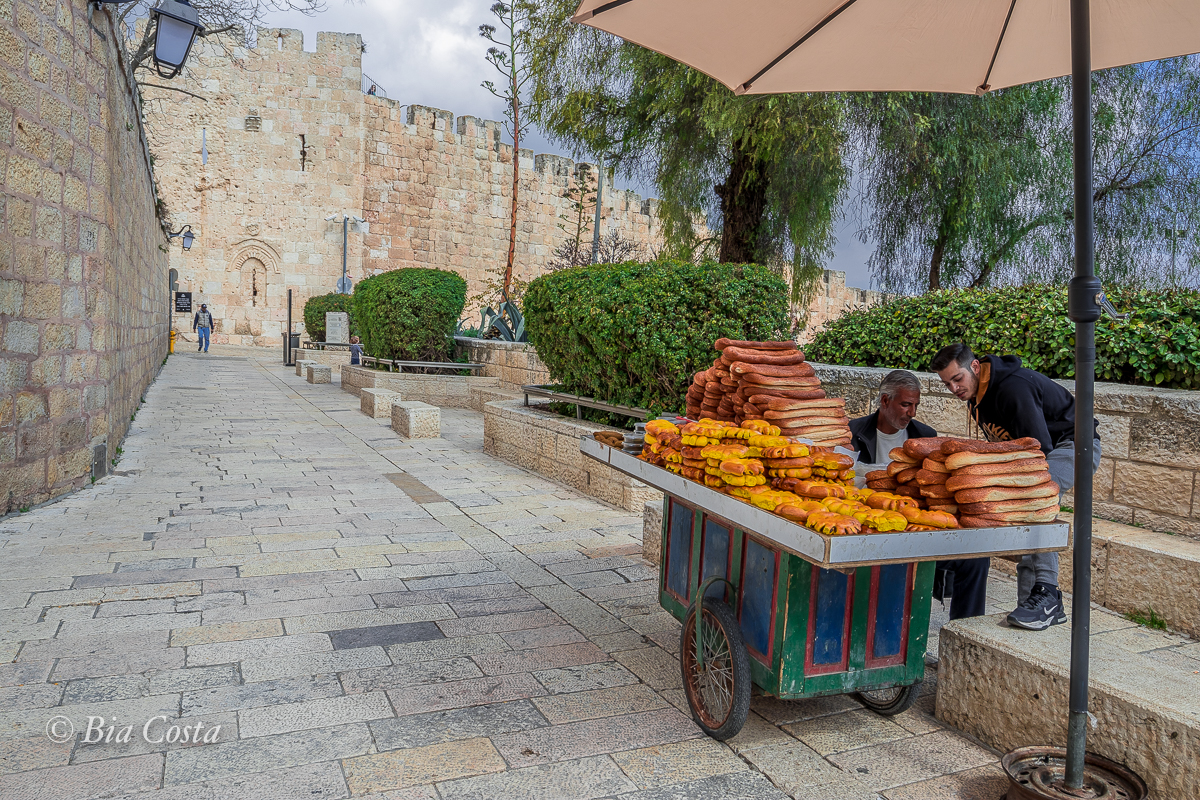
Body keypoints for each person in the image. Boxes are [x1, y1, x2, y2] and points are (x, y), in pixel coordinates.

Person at [931, 342, 1101, 631]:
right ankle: (1030, 604)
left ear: (974, 367)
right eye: (947, 384)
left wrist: (1020, 494)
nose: (954, 388)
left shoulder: (1013, 389)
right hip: (1040, 453)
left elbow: (1038, 452)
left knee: (1036, 497)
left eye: (957, 379)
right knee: (1022, 511)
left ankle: (1048, 594)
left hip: (1072, 446)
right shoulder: (978, 394)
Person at [849, 370, 990, 621]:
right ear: (884, 401)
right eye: (905, 404)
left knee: (976, 556)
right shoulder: (854, 431)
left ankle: (964, 631)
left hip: (914, 524)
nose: (912, 413)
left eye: (915, 405)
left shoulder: (925, 436)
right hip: (866, 525)